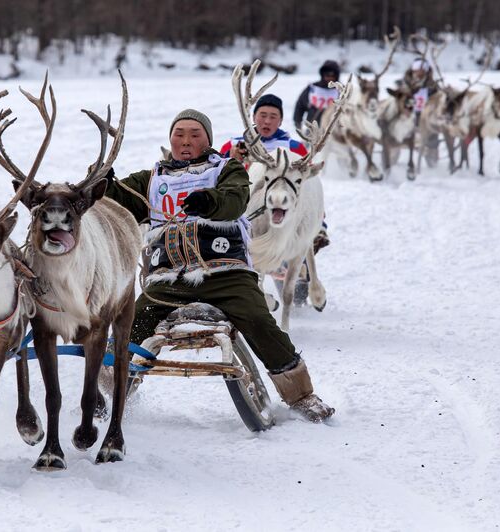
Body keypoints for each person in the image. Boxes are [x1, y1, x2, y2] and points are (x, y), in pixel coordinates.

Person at [104, 108, 334, 422]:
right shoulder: (152, 179)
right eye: (179, 134)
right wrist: (103, 184)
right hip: (167, 280)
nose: (185, 141)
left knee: (258, 320)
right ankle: (105, 392)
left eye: (194, 135)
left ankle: (300, 394)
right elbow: (119, 201)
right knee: (130, 324)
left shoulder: (227, 170)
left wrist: (210, 202)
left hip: (226, 273)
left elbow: (234, 200)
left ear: (207, 140)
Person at [221, 93, 330, 305]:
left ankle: (298, 283)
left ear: (280, 120)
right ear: (253, 116)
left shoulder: (294, 148)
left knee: (296, 293)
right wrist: (231, 159)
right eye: (262, 115)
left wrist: (320, 222)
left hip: (284, 220)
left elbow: (306, 186)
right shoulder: (235, 145)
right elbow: (216, 174)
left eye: (273, 116)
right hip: (248, 213)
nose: (267, 121)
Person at [400, 57, 441, 166]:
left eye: (421, 69)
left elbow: (438, 98)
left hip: (426, 115)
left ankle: (432, 156)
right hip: (409, 113)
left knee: (432, 132)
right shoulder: (406, 82)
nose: (419, 71)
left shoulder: (432, 85)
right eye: (416, 68)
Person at [293, 60, 341, 131]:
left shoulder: (341, 90)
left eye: (333, 75)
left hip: (335, 130)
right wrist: (297, 121)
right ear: (322, 74)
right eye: (327, 75)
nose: (330, 78)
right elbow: (300, 105)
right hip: (313, 128)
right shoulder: (313, 89)